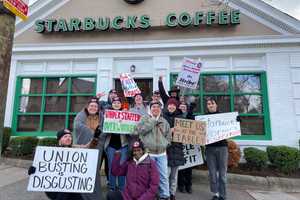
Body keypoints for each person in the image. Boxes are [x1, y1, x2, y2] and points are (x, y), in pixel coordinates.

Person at [28, 128, 101, 200]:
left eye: (70, 136)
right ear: (59, 139)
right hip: (55, 188)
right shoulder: (51, 153)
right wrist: (34, 170)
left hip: (72, 187)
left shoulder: (75, 149)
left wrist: (95, 138)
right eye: (65, 136)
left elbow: (88, 148)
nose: (68, 138)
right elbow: (44, 166)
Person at [133, 101, 171, 200]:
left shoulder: (164, 121)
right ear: (150, 109)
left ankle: (165, 196)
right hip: (149, 153)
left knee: (163, 176)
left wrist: (166, 144)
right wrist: (153, 121)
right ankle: (149, 196)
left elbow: (168, 135)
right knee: (148, 177)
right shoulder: (145, 119)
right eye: (153, 107)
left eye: (157, 107)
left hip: (162, 153)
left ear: (160, 109)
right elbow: (139, 131)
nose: (155, 109)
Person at [74, 97, 105, 200]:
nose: (93, 108)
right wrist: (93, 133)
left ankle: (94, 195)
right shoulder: (80, 115)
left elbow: (104, 129)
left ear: (98, 108)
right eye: (91, 106)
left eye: (95, 106)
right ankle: (81, 195)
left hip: (97, 147)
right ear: (87, 107)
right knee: (82, 169)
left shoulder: (101, 116)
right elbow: (78, 126)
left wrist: (97, 135)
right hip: (83, 146)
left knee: (94, 170)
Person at [104, 97, 129, 191]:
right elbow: (103, 129)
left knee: (122, 167)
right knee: (111, 167)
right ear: (112, 104)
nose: (117, 104)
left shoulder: (126, 114)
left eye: (118, 102)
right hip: (111, 145)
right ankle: (112, 187)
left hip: (123, 145)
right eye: (115, 103)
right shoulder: (107, 114)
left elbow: (130, 129)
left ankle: (122, 188)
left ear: (121, 104)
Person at [205, 97, 228, 200]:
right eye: (208, 104)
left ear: (216, 105)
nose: (210, 105)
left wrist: (237, 121)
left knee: (222, 174)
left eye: (212, 103)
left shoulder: (224, 117)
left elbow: (232, 126)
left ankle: (223, 195)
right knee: (212, 173)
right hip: (210, 148)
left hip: (222, 147)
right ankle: (216, 194)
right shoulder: (203, 118)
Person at [163, 98, 185, 200]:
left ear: (176, 107)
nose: (171, 106)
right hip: (165, 149)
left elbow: (187, 131)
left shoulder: (181, 118)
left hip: (177, 149)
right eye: (169, 105)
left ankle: (172, 194)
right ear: (167, 106)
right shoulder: (163, 117)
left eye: (173, 105)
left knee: (174, 176)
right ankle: (165, 193)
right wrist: (169, 130)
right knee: (165, 174)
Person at [177, 102, 195, 194]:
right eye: (181, 107)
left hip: (189, 145)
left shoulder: (190, 116)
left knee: (189, 167)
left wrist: (191, 111)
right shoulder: (176, 116)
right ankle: (181, 185)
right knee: (181, 167)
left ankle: (189, 185)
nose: (183, 108)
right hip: (179, 144)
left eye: (184, 107)